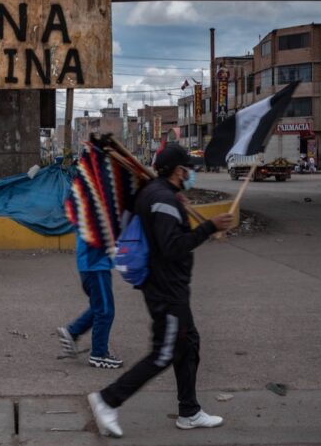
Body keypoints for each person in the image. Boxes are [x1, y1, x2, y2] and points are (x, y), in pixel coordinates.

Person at [88, 144, 234, 438]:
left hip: (171, 287)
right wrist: (209, 227)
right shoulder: (163, 199)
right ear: (179, 171)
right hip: (166, 291)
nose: (191, 172)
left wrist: (180, 206)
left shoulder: (155, 192)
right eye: (188, 168)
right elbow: (172, 247)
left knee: (188, 344)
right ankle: (107, 400)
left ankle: (189, 411)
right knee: (163, 353)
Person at [56, 234, 123, 369]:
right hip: (95, 265)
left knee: (101, 307)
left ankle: (73, 331)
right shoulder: (93, 212)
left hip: (94, 264)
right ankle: (99, 354)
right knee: (104, 311)